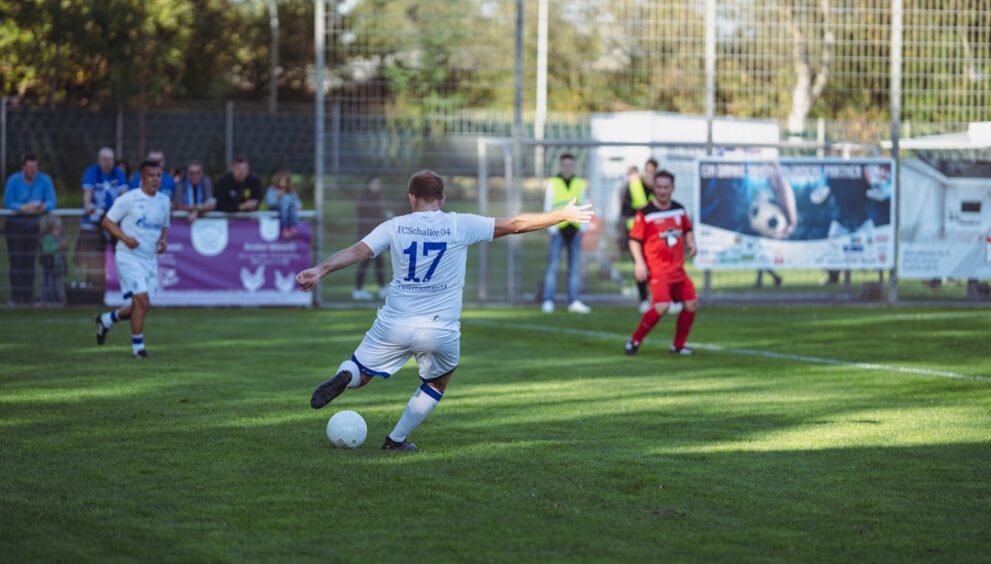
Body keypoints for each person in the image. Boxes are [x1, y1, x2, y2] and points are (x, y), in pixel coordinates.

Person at [296, 170, 593, 451]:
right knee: (438, 380)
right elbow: (514, 224)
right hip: (440, 329)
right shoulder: (458, 224)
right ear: (442, 199)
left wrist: (320, 270)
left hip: (395, 323)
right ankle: (396, 439)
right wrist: (561, 215)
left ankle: (346, 375)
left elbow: (359, 251)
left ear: (411, 198)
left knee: (361, 370)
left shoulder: (395, 226)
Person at [94, 160, 171, 358]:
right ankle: (138, 349)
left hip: (149, 259)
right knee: (142, 302)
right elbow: (107, 222)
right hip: (128, 256)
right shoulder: (129, 199)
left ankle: (107, 319)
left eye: (158, 175)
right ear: (142, 178)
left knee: (141, 306)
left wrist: (163, 241)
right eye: (151, 175)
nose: (155, 179)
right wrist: (126, 238)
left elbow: (163, 227)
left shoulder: (164, 201)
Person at [624, 170, 699, 356]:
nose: (662, 191)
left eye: (666, 187)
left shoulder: (679, 209)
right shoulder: (645, 213)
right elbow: (634, 240)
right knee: (662, 306)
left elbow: (687, 229)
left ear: (672, 188)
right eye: (658, 187)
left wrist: (691, 242)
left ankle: (678, 346)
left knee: (691, 303)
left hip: (678, 270)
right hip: (658, 271)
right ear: (654, 188)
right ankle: (634, 341)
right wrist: (639, 263)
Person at [540, 153, 592, 314]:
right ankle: (548, 300)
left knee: (574, 267)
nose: (567, 167)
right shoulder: (553, 182)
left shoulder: (579, 183)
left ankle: (573, 300)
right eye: (565, 164)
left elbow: (583, 203)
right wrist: (552, 227)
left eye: (570, 164)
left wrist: (583, 228)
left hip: (575, 229)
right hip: (558, 229)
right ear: (561, 165)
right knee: (553, 266)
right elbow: (548, 204)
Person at [4, 154, 57, 305]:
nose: (33, 170)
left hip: (35, 223)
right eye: (29, 167)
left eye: (35, 167)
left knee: (30, 260)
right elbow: (8, 201)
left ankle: (28, 296)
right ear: (23, 168)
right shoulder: (14, 180)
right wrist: (22, 207)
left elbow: (52, 201)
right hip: (16, 223)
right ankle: (16, 296)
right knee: (16, 261)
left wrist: (42, 206)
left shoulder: (44, 180)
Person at [77, 147, 128, 286]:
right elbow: (88, 191)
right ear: (99, 160)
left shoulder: (118, 172)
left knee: (122, 252)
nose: (108, 163)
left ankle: (124, 285)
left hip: (113, 220)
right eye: (105, 160)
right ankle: (95, 286)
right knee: (95, 256)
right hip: (94, 221)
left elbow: (124, 194)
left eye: (110, 160)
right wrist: (87, 204)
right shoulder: (92, 172)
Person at [620, 158, 657, 313]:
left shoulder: (659, 188)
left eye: (653, 172)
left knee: (656, 266)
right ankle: (643, 299)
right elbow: (625, 211)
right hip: (636, 233)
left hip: (654, 234)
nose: (650, 175)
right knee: (640, 265)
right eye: (648, 171)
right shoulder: (635, 187)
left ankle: (659, 297)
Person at [353, 175, 388, 300]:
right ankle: (358, 290)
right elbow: (373, 217)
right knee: (365, 263)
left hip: (373, 235)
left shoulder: (374, 197)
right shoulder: (365, 198)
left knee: (379, 262)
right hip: (367, 236)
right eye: (376, 183)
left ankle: (381, 288)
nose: (378, 186)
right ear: (369, 184)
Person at [38, 214, 68, 305]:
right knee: (47, 282)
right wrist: (59, 246)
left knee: (57, 282)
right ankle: (46, 299)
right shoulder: (47, 238)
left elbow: (63, 253)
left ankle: (58, 298)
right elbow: (47, 249)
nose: (59, 231)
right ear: (50, 230)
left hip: (57, 265)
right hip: (48, 265)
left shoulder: (59, 238)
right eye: (56, 229)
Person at [263, 170, 302, 239]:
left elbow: (297, 202)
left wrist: (297, 205)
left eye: (285, 180)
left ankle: (292, 227)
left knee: (291, 206)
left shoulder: (291, 191)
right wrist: (277, 197)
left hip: (289, 210)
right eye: (281, 180)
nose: (283, 182)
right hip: (276, 209)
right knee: (284, 206)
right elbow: (269, 203)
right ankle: (284, 228)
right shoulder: (272, 190)